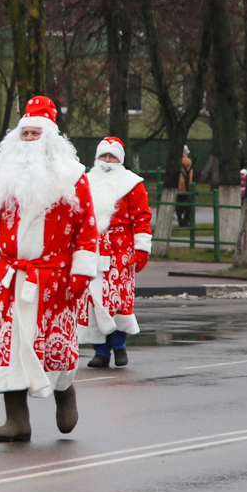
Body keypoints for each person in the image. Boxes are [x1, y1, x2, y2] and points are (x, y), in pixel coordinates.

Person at [0, 96, 97, 443]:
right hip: (11, 278)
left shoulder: (72, 177)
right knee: (9, 346)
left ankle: (65, 394)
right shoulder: (0, 176)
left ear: (50, 139)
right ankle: (16, 419)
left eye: (35, 134)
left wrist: (82, 271)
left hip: (55, 278)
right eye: (24, 134)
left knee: (55, 344)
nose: (28, 141)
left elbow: (87, 227)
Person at [78, 137, 152, 368]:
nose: (108, 161)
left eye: (112, 157)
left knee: (118, 300)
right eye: (104, 156)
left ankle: (119, 347)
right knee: (93, 299)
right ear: (97, 158)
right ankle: (100, 352)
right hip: (91, 248)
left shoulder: (132, 184)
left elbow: (142, 218)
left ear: (120, 160)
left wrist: (141, 249)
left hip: (121, 251)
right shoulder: (85, 182)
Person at [176, 145, 194, 227]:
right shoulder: (187, 161)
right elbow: (189, 175)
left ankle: (180, 218)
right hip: (185, 186)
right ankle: (186, 220)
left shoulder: (177, 161)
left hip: (178, 186)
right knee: (187, 204)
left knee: (179, 203)